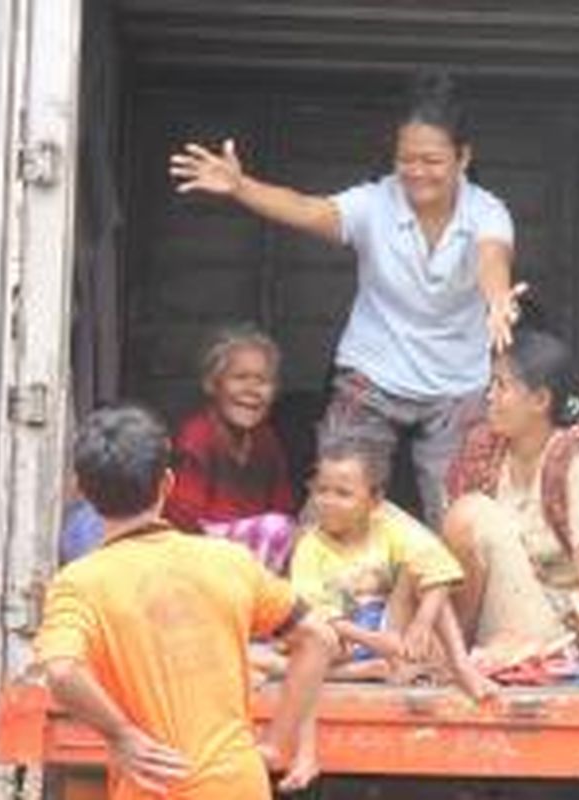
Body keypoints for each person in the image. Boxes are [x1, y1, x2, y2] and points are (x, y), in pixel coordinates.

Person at [168, 71, 522, 529]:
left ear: (463, 157)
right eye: (406, 160)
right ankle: (314, 596)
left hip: (457, 382)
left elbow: (492, 257)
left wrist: (496, 301)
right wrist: (240, 187)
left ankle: (448, 602)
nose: (417, 172)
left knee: (458, 516)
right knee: (334, 498)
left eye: (432, 160)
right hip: (373, 371)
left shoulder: (487, 210)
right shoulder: (374, 204)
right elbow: (307, 209)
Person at [34, 404, 336, 799]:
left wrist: (122, 735)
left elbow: (61, 670)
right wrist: (278, 742)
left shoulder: (80, 583)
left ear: (82, 489)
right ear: (167, 484)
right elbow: (319, 637)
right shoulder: (227, 560)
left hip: (152, 788)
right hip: (236, 784)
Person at [442, 329, 579, 671]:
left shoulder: (576, 462)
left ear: (540, 400)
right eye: (491, 385)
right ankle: (454, 656)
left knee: (469, 514)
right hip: (495, 617)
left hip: (561, 626)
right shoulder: (485, 453)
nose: (489, 396)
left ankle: (454, 658)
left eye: (502, 386)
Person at [289, 431, 495, 700]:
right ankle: (362, 670)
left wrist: (422, 622)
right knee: (310, 635)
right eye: (321, 491)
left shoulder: (389, 526)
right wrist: (371, 640)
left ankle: (461, 665)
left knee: (421, 571)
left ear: (375, 501)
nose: (329, 502)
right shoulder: (310, 546)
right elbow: (315, 613)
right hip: (344, 640)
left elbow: (437, 568)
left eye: (343, 494)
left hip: (392, 633)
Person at [165, 325, 297, 572]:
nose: (252, 390)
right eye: (240, 378)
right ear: (212, 384)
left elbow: (284, 506)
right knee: (275, 529)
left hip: (253, 554)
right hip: (200, 553)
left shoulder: (265, 439)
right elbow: (183, 523)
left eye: (263, 381)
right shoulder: (198, 436)